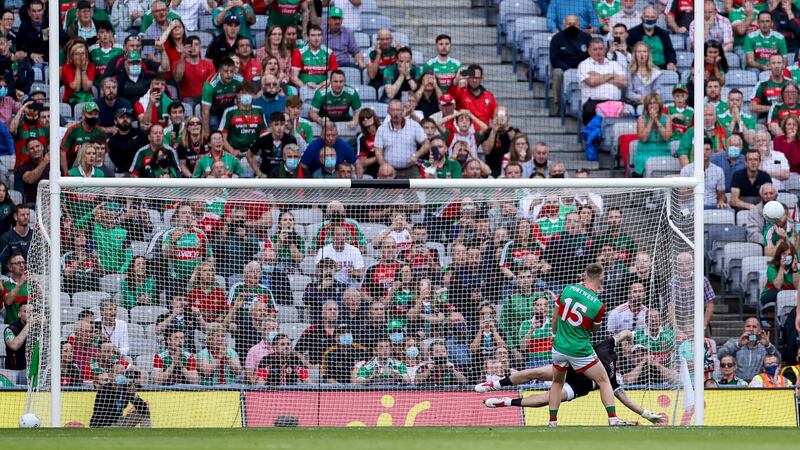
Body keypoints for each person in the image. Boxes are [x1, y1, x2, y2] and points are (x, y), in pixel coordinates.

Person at [479, 330, 663, 425]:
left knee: (548, 399)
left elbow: (625, 399)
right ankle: (494, 384)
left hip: (579, 386)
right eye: (631, 347)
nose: (629, 349)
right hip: (572, 368)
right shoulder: (607, 346)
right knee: (535, 372)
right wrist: (633, 335)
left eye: (634, 350)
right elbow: (623, 334)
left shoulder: (614, 376)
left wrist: (648, 415)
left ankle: (506, 402)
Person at [547, 263, 622, 427]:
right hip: (580, 349)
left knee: (557, 383)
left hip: (559, 346)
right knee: (604, 380)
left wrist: (554, 335)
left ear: (585, 275)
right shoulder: (598, 305)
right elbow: (594, 329)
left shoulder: (568, 290)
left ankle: (552, 421)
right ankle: (613, 418)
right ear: (601, 277)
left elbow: (555, 316)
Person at [374, 100, 429, 179]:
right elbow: (378, 151)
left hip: (410, 169)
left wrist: (416, 155)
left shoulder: (413, 125)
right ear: (388, 112)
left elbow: (426, 144)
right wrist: (383, 165)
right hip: (389, 171)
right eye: (393, 110)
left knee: (416, 185)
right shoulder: (382, 129)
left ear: (403, 111)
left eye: (398, 110)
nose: (396, 113)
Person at [577, 38, 626, 125]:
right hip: (593, 103)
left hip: (615, 103)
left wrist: (600, 76)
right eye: (595, 49)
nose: (598, 52)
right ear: (589, 51)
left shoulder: (614, 64)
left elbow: (624, 83)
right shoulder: (584, 65)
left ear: (605, 50)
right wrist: (612, 75)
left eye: (600, 49)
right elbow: (592, 82)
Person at [549, 16, 591, 117]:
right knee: (557, 73)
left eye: (574, 24)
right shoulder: (557, 38)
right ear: (564, 25)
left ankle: (587, 106)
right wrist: (568, 69)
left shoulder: (586, 37)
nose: (572, 26)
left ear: (579, 25)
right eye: (569, 24)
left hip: (583, 68)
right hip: (563, 68)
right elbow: (554, 59)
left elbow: (591, 56)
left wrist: (581, 68)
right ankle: (558, 105)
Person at [718, 317, 781, 382]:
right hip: (736, 382)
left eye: (754, 327)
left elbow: (779, 360)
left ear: (759, 330)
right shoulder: (734, 342)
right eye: (748, 326)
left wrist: (768, 346)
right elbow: (719, 355)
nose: (751, 329)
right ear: (743, 329)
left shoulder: (764, 346)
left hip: (757, 383)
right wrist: (738, 345)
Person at [679, 138, 728, 209]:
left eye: (707, 149)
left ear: (712, 151)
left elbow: (721, 194)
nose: (704, 152)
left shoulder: (718, 171)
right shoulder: (686, 170)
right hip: (692, 208)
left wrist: (721, 201)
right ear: (695, 151)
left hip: (712, 207)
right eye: (701, 149)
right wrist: (697, 182)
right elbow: (683, 196)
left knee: (729, 212)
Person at [627, 6, 677, 71]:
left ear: (657, 18)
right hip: (641, 69)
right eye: (647, 17)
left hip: (662, 68)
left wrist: (671, 62)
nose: (650, 19)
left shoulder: (663, 34)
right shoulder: (632, 33)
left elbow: (670, 51)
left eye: (652, 17)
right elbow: (629, 52)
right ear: (642, 18)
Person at [633, 93, 672, 176]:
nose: (652, 105)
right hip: (645, 153)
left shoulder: (667, 118)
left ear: (659, 105)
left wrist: (657, 121)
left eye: (655, 103)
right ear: (646, 106)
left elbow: (667, 137)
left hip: (663, 152)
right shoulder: (641, 119)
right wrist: (651, 121)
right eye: (650, 103)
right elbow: (644, 138)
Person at [173, 35, 216, 109]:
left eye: (196, 44)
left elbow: (213, 84)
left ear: (200, 47)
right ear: (185, 48)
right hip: (187, 100)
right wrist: (182, 57)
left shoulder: (208, 65)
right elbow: (177, 78)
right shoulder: (178, 63)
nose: (193, 47)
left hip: (205, 98)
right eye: (190, 46)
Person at [292, 25, 338, 89]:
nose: (316, 38)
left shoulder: (330, 53)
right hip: (304, 88)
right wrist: (304, 87)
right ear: (308, 37)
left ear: (322, 37)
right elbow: (294, 77)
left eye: (319, 35)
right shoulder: (298, 52)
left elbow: (334, 77)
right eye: (313, 35)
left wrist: (322, 85)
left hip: (324, 88)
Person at [760, 241, 800, 309]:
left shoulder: (796, 269)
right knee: (782, 294)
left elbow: (797, 288)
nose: (786, 257)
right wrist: (782, 267)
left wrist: (794, 270)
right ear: (779, 255)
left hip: (788, 296)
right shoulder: (772, 267)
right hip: (770, 294)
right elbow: (778, 286)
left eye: (789, 254)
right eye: (784, 254)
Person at [0, 204, 31, 272]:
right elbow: (2, 263)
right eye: (22, 215)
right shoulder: (6, 237)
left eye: (28, 214)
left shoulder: (34, 236)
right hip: (12, 273)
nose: (26, 217)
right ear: (15, 217)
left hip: (32, 273)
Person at [3, 302, 32, 371]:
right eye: (26, 311)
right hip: (15, 371)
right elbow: (14, 346)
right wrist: (29, 325)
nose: (30, 314)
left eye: (32, 312)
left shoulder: (38, 329)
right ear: (19, 314)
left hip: (32, 370)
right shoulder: (10, 329)